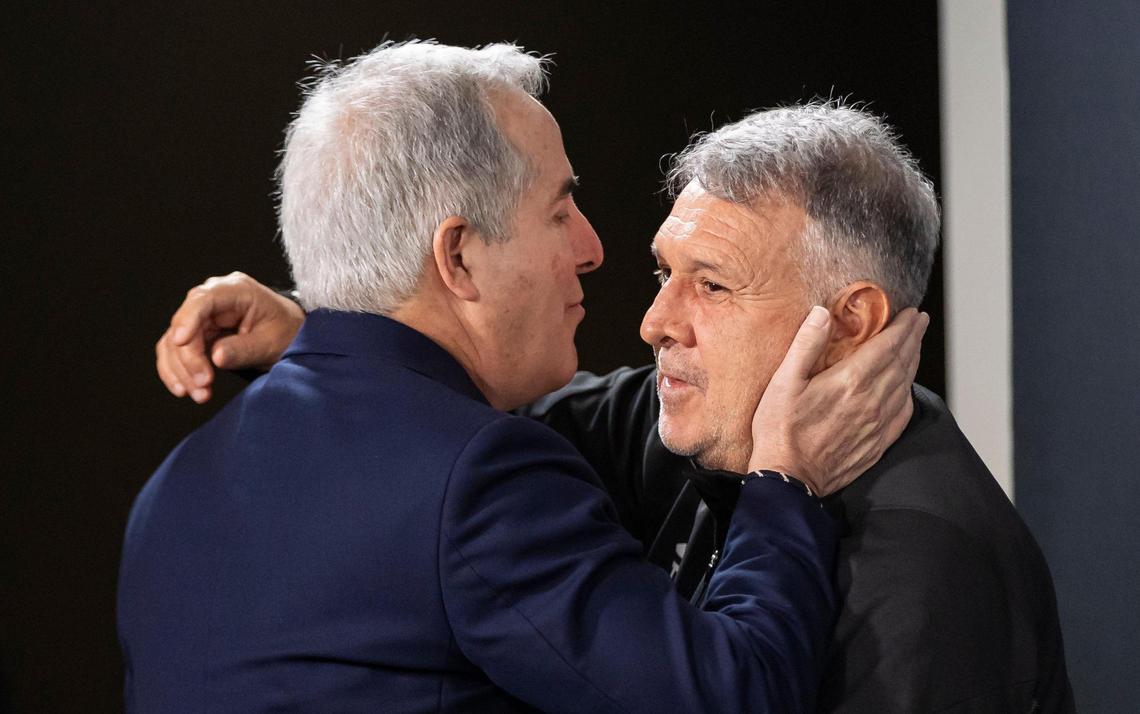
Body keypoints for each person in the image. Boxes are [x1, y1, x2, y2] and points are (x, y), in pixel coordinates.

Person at [159, 101, 1074, 711]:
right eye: (662, 275)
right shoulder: (695, 424)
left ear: (850, 324)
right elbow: (455, 445)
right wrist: (326, 332)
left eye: (711, 286)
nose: (650, 323)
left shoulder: (928, 576)